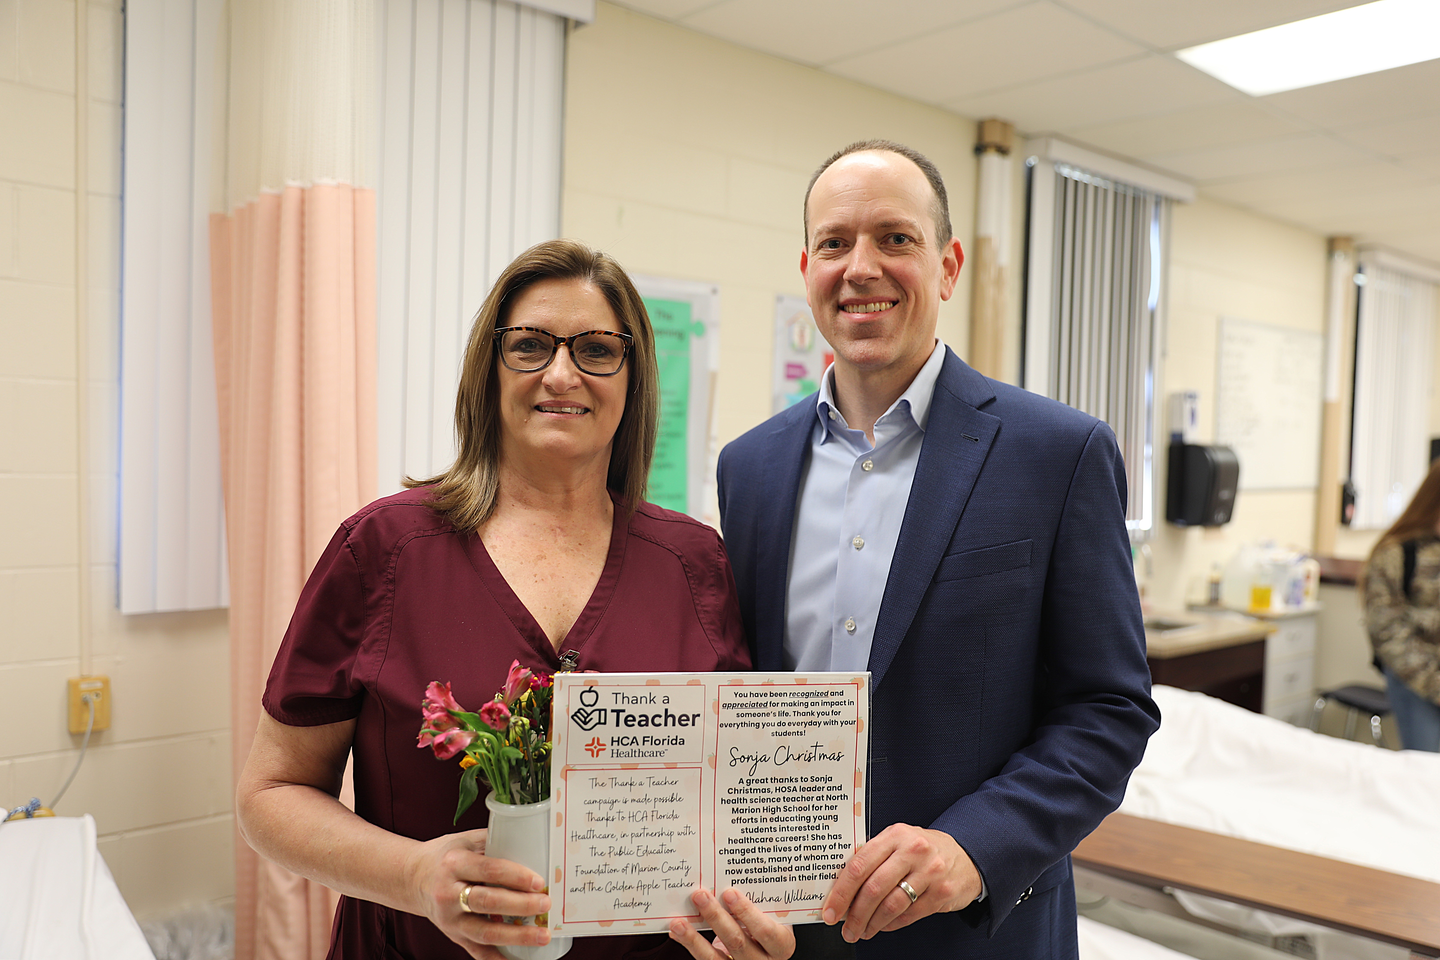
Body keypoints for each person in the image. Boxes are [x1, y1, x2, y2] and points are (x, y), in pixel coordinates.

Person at [237, 239, 795, 960]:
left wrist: (744, 928)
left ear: (633, 378)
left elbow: (727, 810)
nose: (561, 373)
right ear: (490, 367)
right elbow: (271, 794)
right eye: (530, 345)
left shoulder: (694, 563)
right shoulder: (383, 549)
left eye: (597, 349)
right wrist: (414, 875)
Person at [716, 141, 1161, 959]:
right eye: (835, 243)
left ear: (948, 266)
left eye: (896, 239)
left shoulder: (1058, 453)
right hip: (787, 935)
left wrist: (972, 847)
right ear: (807, 267)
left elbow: (1109, 711)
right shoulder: (747, 468)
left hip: (977, 933)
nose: (861, 268)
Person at [1360, 459, 1440, 751]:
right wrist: (1434, 685)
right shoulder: (1397, 553)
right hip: (1418, 684)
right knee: (1426, 777)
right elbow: (1387, 630)